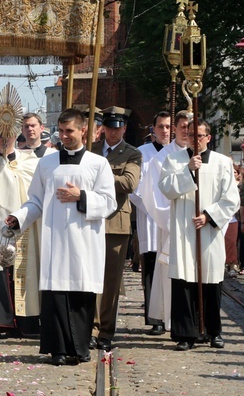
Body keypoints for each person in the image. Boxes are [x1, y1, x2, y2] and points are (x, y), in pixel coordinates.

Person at [6, 108, 116, 366]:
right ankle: (56, 349)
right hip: (54, 239)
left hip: (84, 241)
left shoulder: (98, 164)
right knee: (55, 296)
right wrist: (19, 217)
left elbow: (110, 202)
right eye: (61, 131)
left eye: (70, 131)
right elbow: (35, 200)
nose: (65, 136)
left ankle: (79, 349)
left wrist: (82, 196)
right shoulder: (46, 164)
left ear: (82, 131)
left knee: (80, 295)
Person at [159, 120, 240, 351]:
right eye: (191, 135)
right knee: (184, 280)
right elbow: (166, 188)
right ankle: (186, 334)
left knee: (210, 279)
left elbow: (232, 199)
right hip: (184, 229)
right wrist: (188, 171)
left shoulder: (223, 162)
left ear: (208, 137)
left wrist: (209, 216)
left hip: (208, 229)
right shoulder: (174, 160)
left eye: (200, 135)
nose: (196, 139)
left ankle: (213, 331)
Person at [0, 131, 47, 339]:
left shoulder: (30, 161)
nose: (4, 139)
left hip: (25, 224)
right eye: (0, 135)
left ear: (16, 134)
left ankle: (28, 321)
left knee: (25, 271)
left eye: (8, 135)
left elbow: (36, 193)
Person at [90, 106, 142, 352]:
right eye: (109, 127)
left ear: (124, 129)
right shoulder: (91, 150)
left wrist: (99, 174)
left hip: (116, 222)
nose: (113, 132)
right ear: (103, 128)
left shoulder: (132, 154)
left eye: (117, 128)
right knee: (90, 278)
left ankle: (106, 331)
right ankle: (91, 326)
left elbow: (129, 183)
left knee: (110, 282)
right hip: (90, 220)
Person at [141, 111, 191, 333]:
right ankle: (167, 319)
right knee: (166, 274)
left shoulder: (201, 156)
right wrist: (174, 222)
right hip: (170, 225)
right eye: (182, 126)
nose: (186, 131)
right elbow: (153, 195)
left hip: (196, 227)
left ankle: (192, 321)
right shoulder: (162, 159)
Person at [129, 111, 170, 336]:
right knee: (152, 269)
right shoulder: (141, 154)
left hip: (173, 221)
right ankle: (155, 318)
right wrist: (154, 210)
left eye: (168, 127)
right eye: (161, 126)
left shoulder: (180, 153)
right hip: (150, 220)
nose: (165, 131)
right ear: (153, 128)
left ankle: (172, 316)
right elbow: (136, 188)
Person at [224, 165, 243, 279]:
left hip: (232, 219)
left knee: (231, 242)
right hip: (218, 218)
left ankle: (232, 265)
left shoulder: (238, 185)